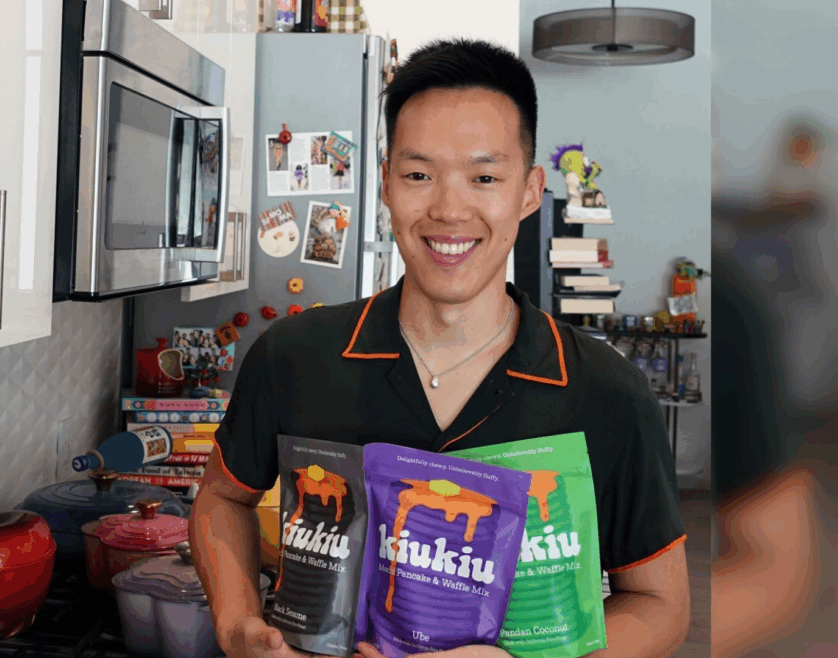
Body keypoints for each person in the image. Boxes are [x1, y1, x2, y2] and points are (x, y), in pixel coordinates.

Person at [190, 38, 690, 658]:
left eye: (485, 177)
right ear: (386, 184)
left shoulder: (607, 390)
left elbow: (662, 603)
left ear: (529, 191)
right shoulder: (293, 355)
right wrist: (236, 624)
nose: (450, 210)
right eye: (419, 175)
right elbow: (222, 498)